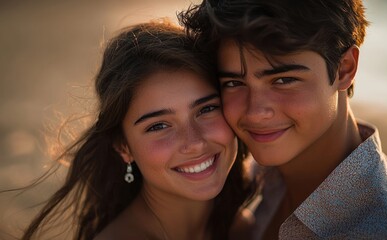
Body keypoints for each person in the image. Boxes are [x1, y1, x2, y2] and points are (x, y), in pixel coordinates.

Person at [179, 0, 387, 239]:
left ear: (344, 68)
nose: (255, 112)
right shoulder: (265, 171)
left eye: (284, 80)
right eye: (234, 83)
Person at [20, 21, 250, 240]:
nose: (195, 142)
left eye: (206, 109)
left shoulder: (244, 226)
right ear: (123, 146)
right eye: (158, 125)